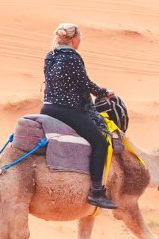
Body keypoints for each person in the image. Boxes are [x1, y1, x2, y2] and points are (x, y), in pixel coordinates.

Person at [41, 23, 120, 209]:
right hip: (66, 109)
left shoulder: (50, 55)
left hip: (47, 108)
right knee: (100, 141)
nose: (80, 41)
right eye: (79, 37)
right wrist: (103, 92)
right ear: (73, 39)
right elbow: (84, 83)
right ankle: (96, 192)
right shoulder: (73, 57)